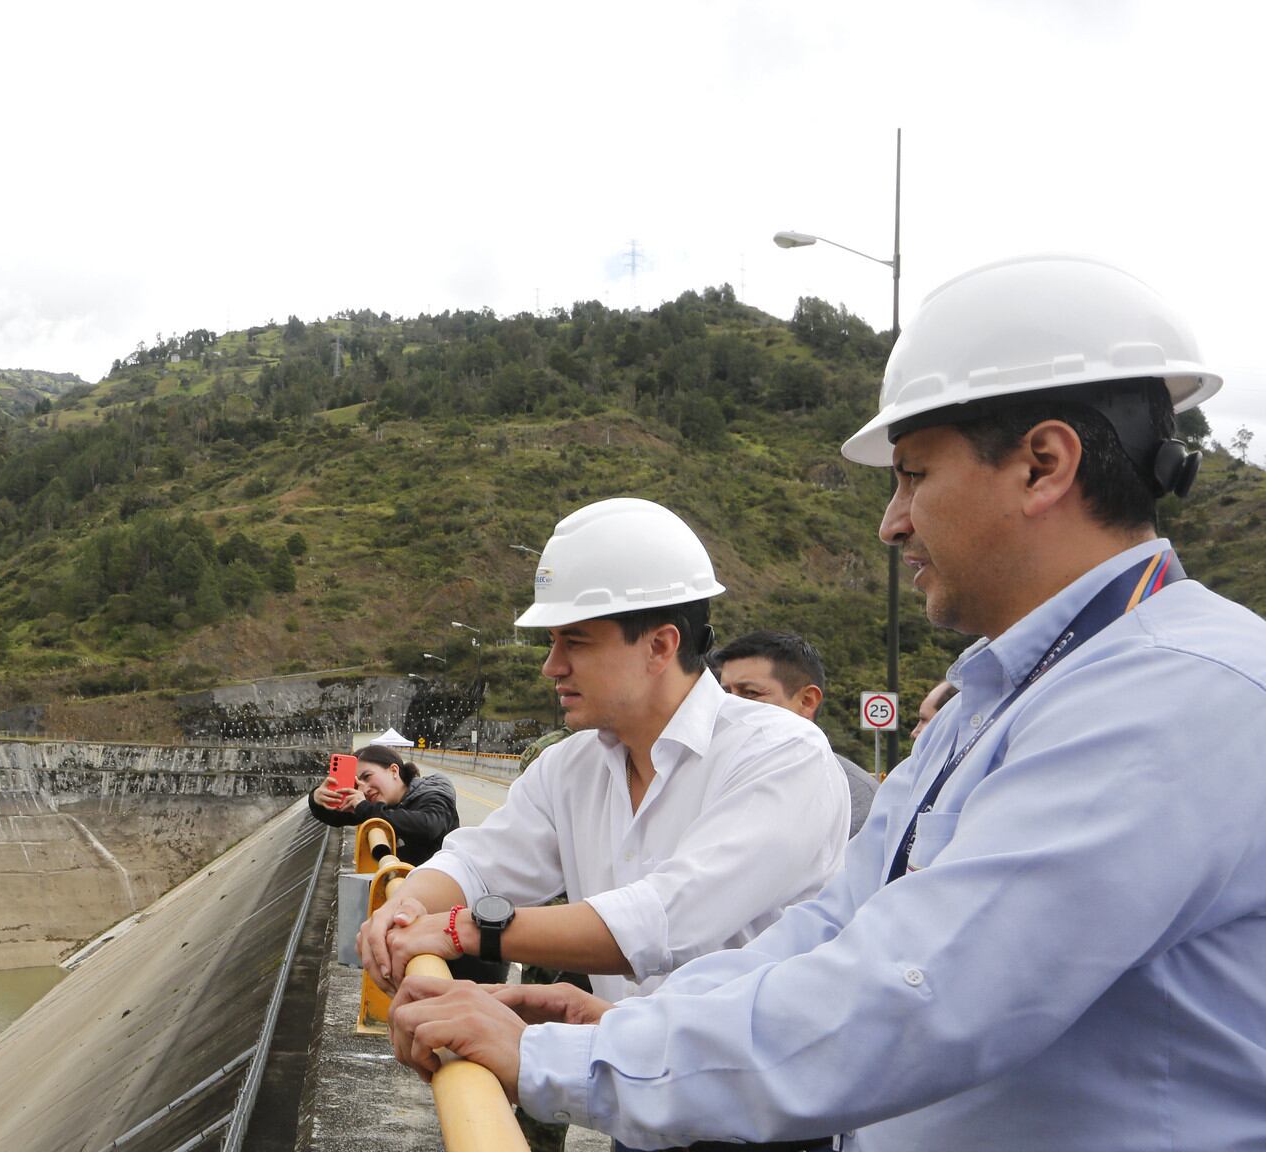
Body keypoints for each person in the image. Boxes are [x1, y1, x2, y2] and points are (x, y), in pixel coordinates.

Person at [386, 255, 1266, 1151]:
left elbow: (920, 992)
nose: (892, 522)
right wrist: (617, 1032)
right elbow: (834, 929)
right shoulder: (995, 698)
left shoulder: (1177, 695)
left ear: (1044, 464)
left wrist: (558, 1060)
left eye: (913, 476)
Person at [357, 497, 848, 1054]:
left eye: (577, 641)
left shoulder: (781, 753)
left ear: (661, 645)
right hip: (646, 1092)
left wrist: (460, 929)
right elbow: (477, 862)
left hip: (769, 1116)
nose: (552, 666)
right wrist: (409, 902)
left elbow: (667, 919)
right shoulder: (571, 766)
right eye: (552, 642)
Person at [714, 630, 879, 834]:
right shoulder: (706, 774)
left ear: (807, 701)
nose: (730, 707)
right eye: (726, 694)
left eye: (750, 693)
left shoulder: (856, 796)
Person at [306, 743, 458, 865]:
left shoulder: (432, 792)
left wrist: (364, 808)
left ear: (393, 770)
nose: (363, 789)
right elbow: (338, 817)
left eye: (367, 777)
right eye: (357, 783)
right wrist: (317, 798)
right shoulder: (382, 804)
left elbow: (429, 826)